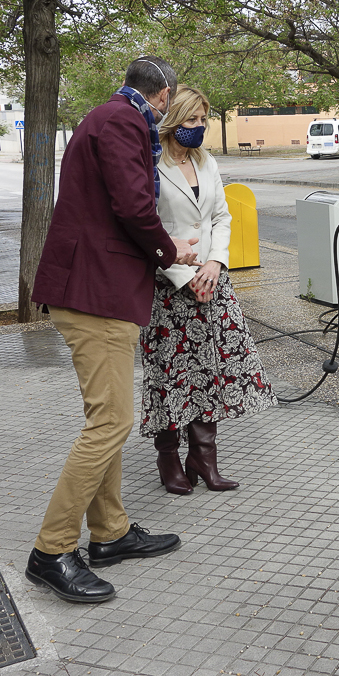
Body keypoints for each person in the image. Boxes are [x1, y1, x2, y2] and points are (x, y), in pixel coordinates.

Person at [26, 56, 202, 604]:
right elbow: (131, 203)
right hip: (96, 292)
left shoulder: (104, 116)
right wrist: (171, 250)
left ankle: (111, 532)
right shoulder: (125, 122)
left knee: (107, 417)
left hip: (95, 289)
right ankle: (51, 551)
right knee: (112, 423)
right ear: (163, 94)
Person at [140, 86, 278, 495]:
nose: (200, 128)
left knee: (212, 370)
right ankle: (168, 456)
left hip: (213, 280)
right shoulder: (150, 163)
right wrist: (187, 274)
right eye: (192, 120)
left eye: (203, 120)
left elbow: (221, 216)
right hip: (168, 286)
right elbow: (146, 224)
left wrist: (216, 263)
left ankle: (203, 456)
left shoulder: (206, 161)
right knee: (171, 374)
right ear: (172, 120)